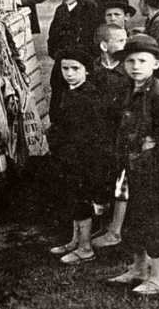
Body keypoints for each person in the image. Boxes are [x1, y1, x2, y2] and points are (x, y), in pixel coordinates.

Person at [107, 34, 159, 295]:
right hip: (133, 167)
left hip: (153, 171)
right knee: (133, 221)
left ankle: (158, 277)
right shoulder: (132, 89)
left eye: (142, 60)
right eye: (130, 61)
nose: (135, 66)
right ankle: (139, 268)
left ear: (156, 64)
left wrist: (152, 158)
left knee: (151, 222)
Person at [47, 48, 110, 265]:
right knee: (72, 199)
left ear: (87, 71)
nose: (69, 73)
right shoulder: (69, 91)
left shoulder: (89, 96)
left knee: (81, 200)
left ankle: (85, 247)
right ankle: (75, 240)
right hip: (68, 156)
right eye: (65, 68)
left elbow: (92, 134)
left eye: (75, 69)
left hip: (83, 158)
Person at [87, 23, 131, 249]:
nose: (126, 44)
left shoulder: (126, 72)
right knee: (99, 179)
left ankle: (117, 227)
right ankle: (101, 221)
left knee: (119, 179)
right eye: (121, 40)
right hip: (97, 136)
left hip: (120, 136)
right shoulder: (93, 71)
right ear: (104, 45)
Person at [47, 0, 100, 121]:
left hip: (82, 61)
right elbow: (52, 38)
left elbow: (92, 36)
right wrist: (58, 54)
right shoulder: (60, 11)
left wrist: (85, 57)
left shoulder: (88, 9)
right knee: (58, 97)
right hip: (62, 61)